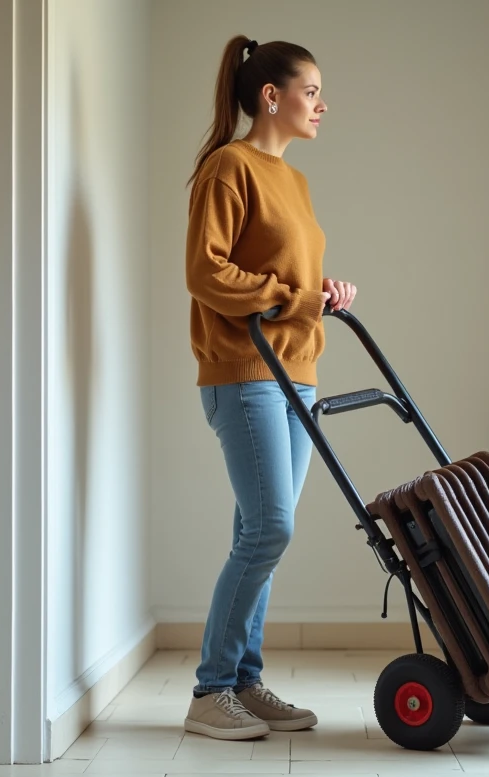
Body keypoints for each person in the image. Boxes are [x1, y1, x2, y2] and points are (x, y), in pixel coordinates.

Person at [182, 34, 357, 741]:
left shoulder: (296, 182)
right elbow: (206, 272)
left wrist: (322, 290)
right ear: (271, 96)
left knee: (261, 536)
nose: (322, 104)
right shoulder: (229, 167)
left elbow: (284, 276)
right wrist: (293, 298)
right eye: (311, 92)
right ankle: (210, 691)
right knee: (269, 529)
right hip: (245, 373)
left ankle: (245, 683)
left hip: (298, 375)